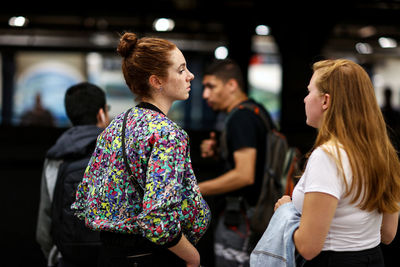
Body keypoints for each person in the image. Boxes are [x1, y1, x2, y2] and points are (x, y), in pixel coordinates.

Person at [71, 32, 211, 267]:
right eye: (181, 70)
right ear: (156, 81)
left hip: (109, 255)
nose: (191, 76)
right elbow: (158, 221)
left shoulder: (115, 126)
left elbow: (85, 198)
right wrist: (193, 257)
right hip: (151, 256)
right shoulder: (168, 134)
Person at [272, 59, 400, 266]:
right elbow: (387, 233)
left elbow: (308, 247)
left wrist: (284, 212)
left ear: (326, 101)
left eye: (309, 91)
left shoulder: (328, 156)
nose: (305, 99)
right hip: (373, 259)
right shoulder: (382, 152)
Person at [198, 58, 275, 266]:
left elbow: (244, 174)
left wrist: (196, 189)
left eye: (211, 86)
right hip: (258, 215)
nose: (205, 95)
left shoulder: (241, 118)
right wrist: (220, 151)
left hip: (241, 220)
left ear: (232, 85)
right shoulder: (256, 110)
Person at [36, 82, 110, 267]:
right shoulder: (116, 152)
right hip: (111, 256)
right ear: (101, 113)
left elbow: (44, 228)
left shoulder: (55, 157)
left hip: (69, 258)